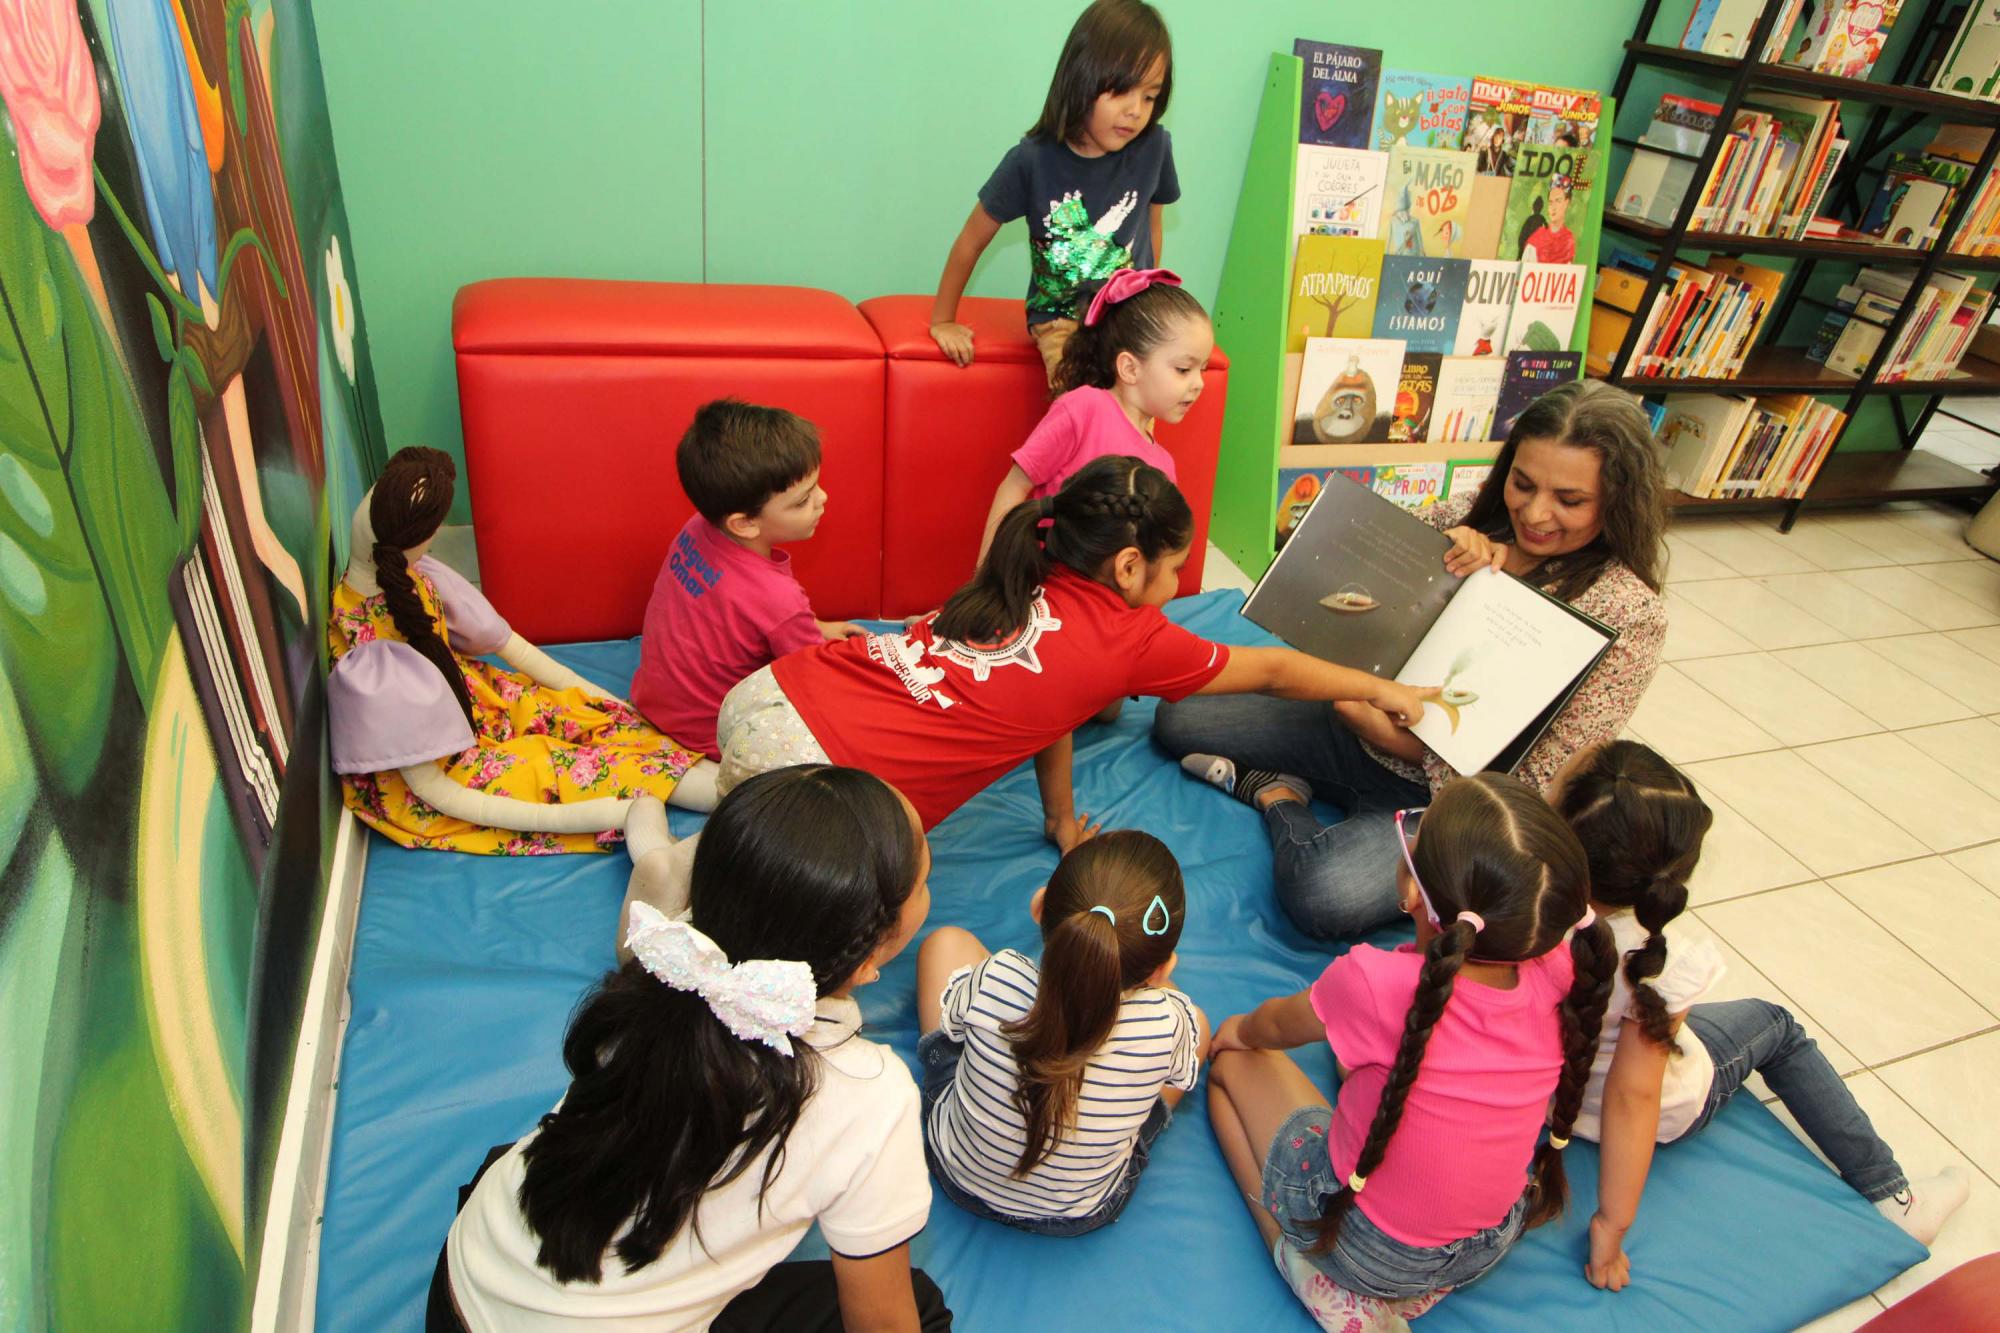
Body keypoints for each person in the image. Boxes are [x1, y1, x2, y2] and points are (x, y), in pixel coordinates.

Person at [618, 456, 1431, 933]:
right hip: (812, 773)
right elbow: (1279, 672)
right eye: (1173, 566)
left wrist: (1059, 818)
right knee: (882, 889)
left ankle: (692, 857)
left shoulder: (1029, 558)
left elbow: (1053, 710)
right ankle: (687, 932)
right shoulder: (1132, 640)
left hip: (768, 699)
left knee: (778, 817)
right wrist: (1377, 685)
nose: (1182, 582)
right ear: (1126, 568)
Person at [433, 766, 951, 1333]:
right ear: (870, 952)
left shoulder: (673, 961)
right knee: (920, 1305)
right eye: (923, 881)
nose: (930, 884)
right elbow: (882, 1325)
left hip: (465, 1285)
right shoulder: (869, 1096)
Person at [1158, 378, 1670, 940]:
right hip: (1352, 724)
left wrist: (1394, 738)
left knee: (1325, 894)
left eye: (1570, 501)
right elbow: (1352, 557)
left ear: (1619, 501)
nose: (1535, 513)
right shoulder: (1480, 517)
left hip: (1446, 799)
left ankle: (1276, 793)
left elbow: (1546, 780)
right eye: (1522, 484)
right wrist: (1437, 545)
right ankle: (1312, 777)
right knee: (1179, 716)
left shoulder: (1629, 613)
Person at [1550, 740, 1972, 1292]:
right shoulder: (1656, 968)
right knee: (1775, 1024)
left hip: (1546, 1095)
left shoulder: (1516, 900)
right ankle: (1894, 1196)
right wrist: (1611, 1223)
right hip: (1610, 1108)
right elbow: (1634, 1099)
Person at [1205, 774, 1616, 1331]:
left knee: (1231, 1070)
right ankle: (1401, 1287)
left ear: (1410, 894)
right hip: (1486, 1243)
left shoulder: (1372, 982)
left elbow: (1270, 1028)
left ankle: (1309, 1273)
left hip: (1364, 1250)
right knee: (1371, 1068)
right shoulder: (1563, 968)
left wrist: (1235, 1031)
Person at [326, 447, 710, 855]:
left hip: (474, 700)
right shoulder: (376, 658)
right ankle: (699, 800)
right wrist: (591, 815)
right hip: (434, 755)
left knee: (581, 716)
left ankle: (722, 784)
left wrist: (606, 702)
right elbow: (433, 787)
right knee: (557, 770)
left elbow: (508, 645)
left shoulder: (413, 578)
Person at [916, 831, 1208, 1234]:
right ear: (1162, 969)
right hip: (1077, 1211)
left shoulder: (997, 976)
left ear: (1039, 908)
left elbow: (955, 1023)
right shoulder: (1167, 1023)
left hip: (958, 1172)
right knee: (1198, 1026)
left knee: (945, 944)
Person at [927, 0, 1179, 382]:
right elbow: (970, 241)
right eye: (1122, 91)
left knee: (1148, 393)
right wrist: (943, 320)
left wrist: (1146, 301)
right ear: (1082, 79)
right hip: (1061, 317)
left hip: (1127, 315)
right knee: (1080, 393)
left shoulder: (1153, 147)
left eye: (1149, 96)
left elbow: (1151, 224)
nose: (1136, 110)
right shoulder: (1032, 160)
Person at [630, 400, 862, 764]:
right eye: (802, 501)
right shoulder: (778, 598)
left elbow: (735, 613)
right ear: (744, 523)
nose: (822, 499)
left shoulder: (698, 527)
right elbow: (820, 677)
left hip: (654, 703)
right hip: (713, 738)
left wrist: (813, 627)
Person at [975, 269, 1210, 566]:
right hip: (1043, 583)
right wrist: (986, 574)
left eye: (1202, 368)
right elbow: (1014, 486)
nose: (1199, 383)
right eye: (1183, 369)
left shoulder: (1163, 467)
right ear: (1129, 368)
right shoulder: (1083, 409)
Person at [1520, 175, 1576, 264]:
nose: (1553, 207)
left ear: (1566, 202)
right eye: (1550, 202)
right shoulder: (1536, 238)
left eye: (1558, 201)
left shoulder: (1568, 239)